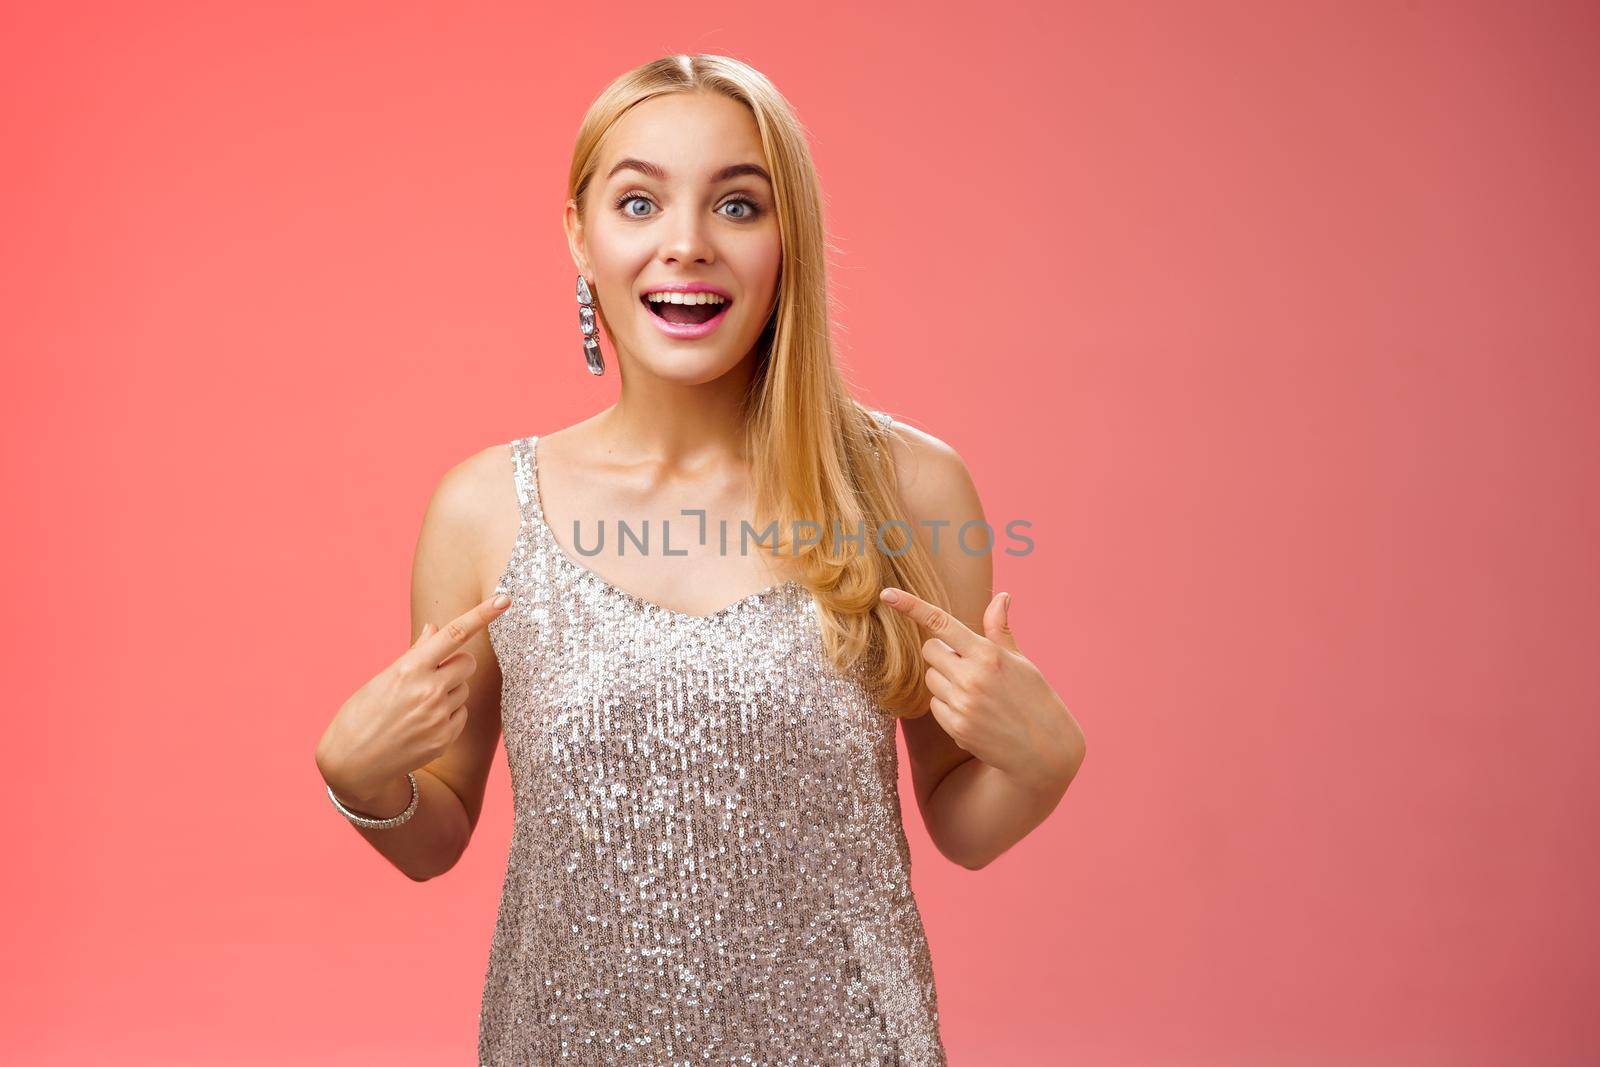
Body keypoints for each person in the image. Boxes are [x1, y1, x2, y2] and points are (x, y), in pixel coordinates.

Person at [314, 53, 1086, 1065]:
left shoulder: (909, 488)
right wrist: (360, 781)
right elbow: (436, 834)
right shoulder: (483, 510)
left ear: (788, 238)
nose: (686, 244)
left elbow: (963, 822)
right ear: (580, 237)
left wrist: (1043, 758)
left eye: (736, 205)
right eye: (638, 201)